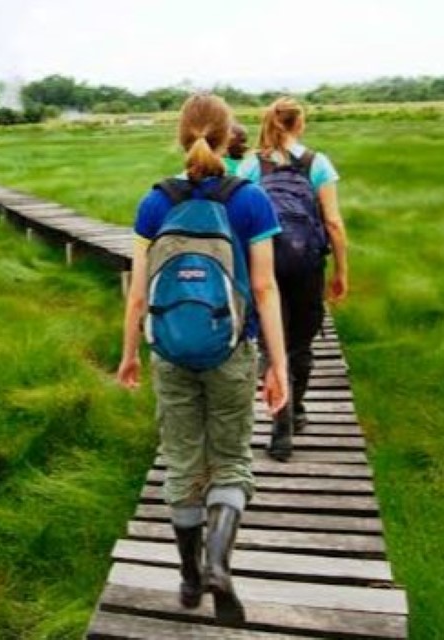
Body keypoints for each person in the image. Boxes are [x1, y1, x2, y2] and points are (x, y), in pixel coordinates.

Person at [116, 94, 288, 622]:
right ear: (227, 133)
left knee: (183, 464)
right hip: (233, 350)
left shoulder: (156, 201)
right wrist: (278, 365)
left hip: (169, 350)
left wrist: (129, 355)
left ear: (180, 135)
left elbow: (140, 294)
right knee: (232, 460)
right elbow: (264, 289)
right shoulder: (250, 198)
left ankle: (189, 577)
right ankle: (219, 562)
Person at [237, 97, 349, 461]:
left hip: (264, 262)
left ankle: (280, 427)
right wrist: (341, 272)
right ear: (299, 124)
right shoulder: (318, 163)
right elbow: (332, 222)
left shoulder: (252, 165)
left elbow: (238, 217)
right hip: (306, 264)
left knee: (273, 344)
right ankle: (296, 409)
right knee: (301, 340)